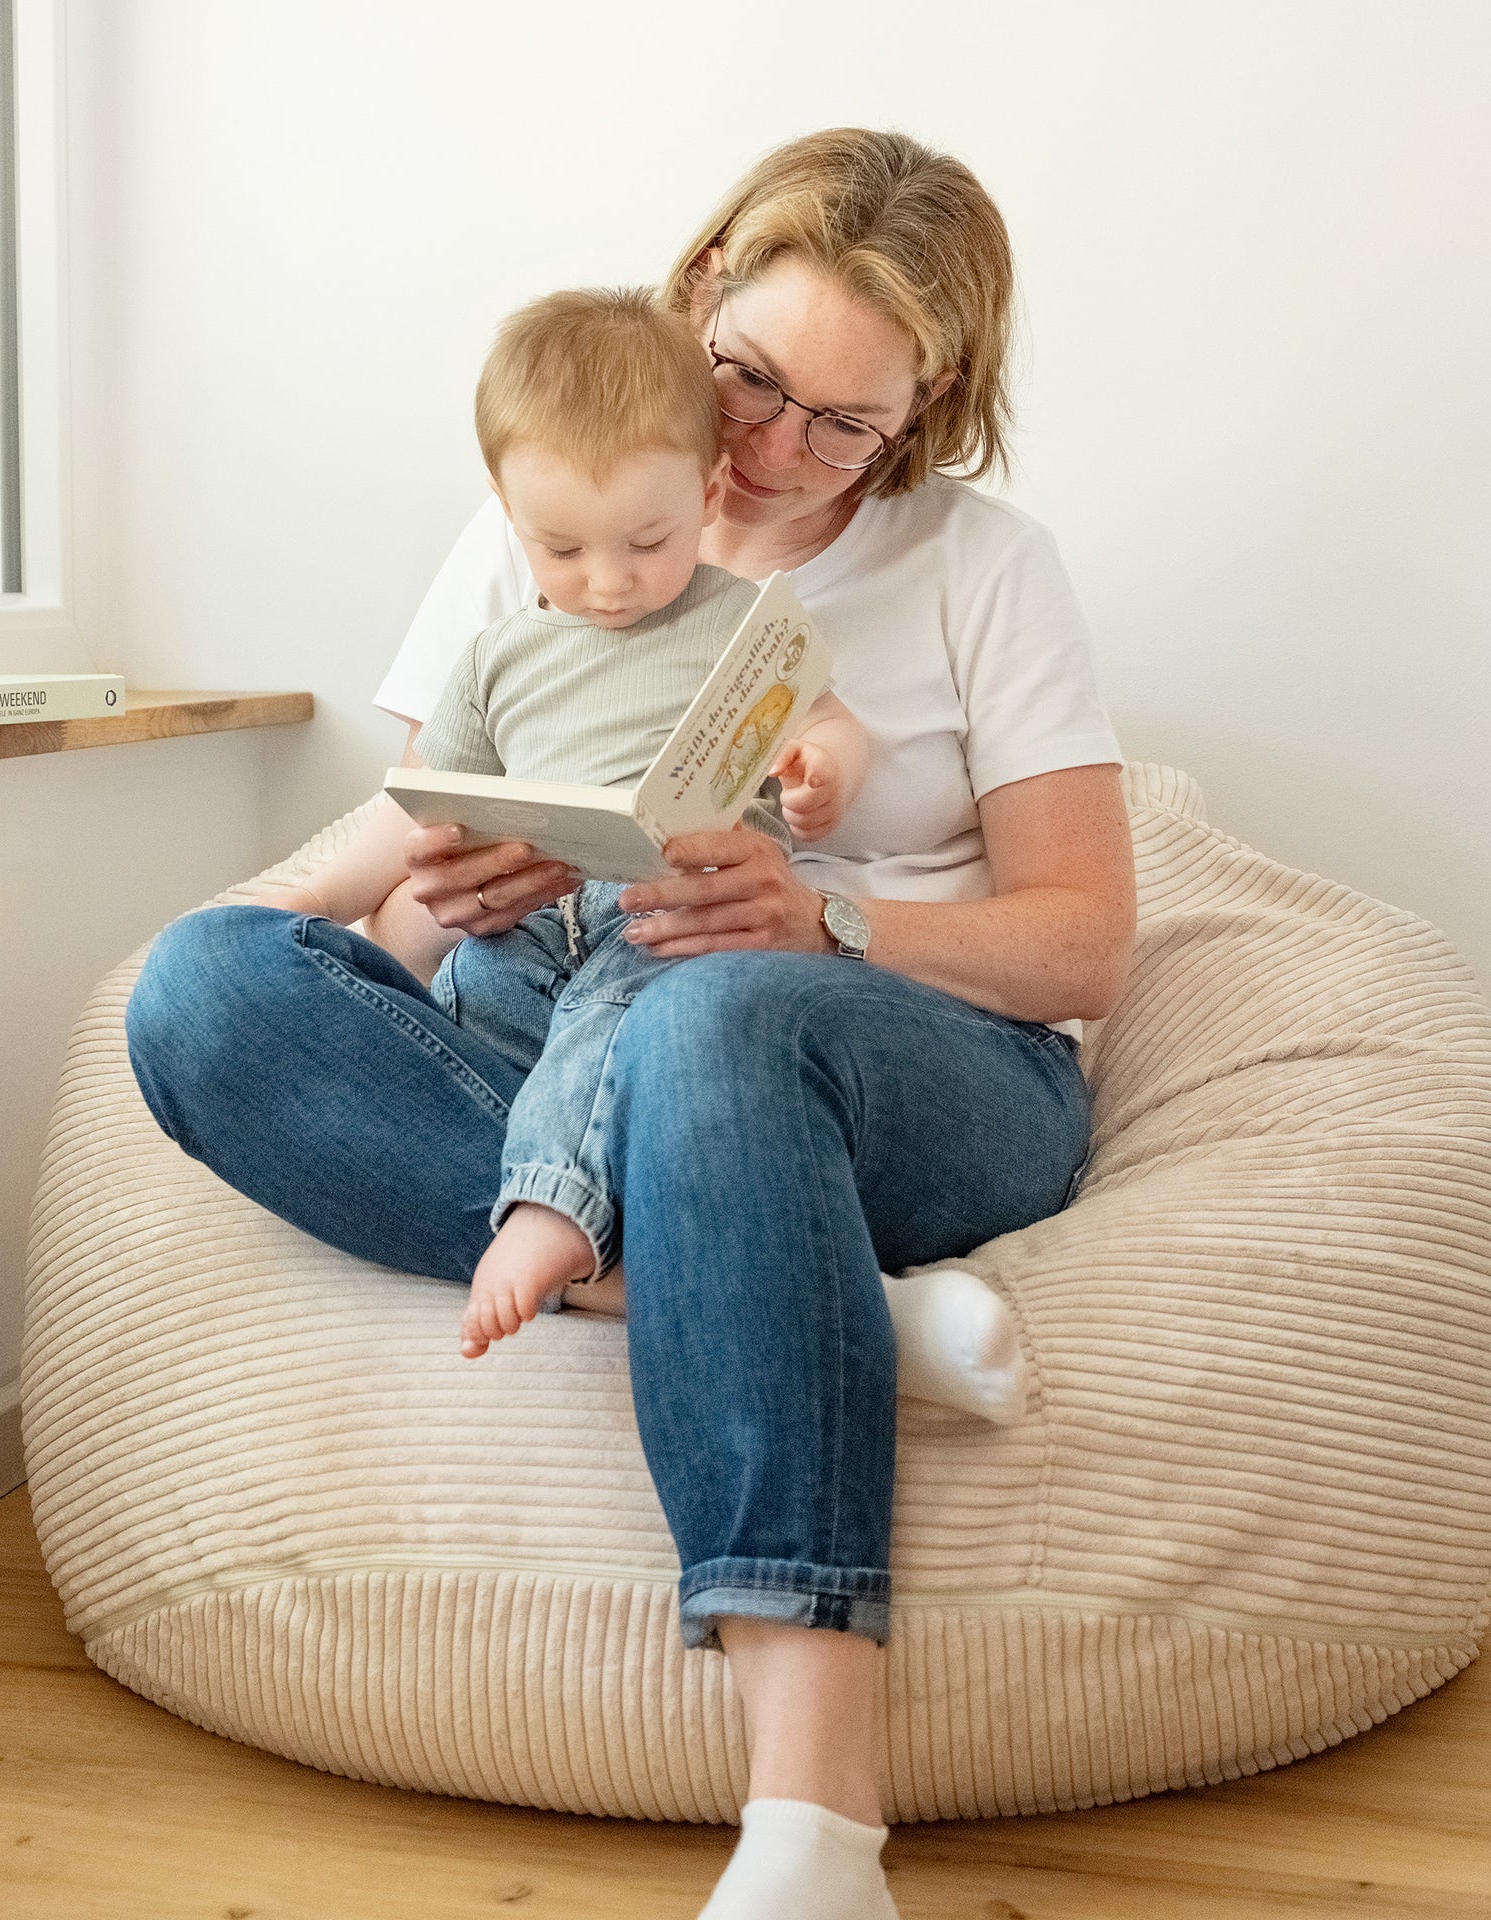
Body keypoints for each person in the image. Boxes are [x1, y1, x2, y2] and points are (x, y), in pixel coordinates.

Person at [125, 128, 1136, 1920]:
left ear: (935, 406)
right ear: (694, 307)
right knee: (203, 978)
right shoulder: (558, 503)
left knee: (718, 1008)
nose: (770, 452)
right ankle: (788, 1293)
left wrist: (827, 916)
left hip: (897, 1054)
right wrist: (431, 893)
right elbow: (413, 824)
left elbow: (1085, 951)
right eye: (751, 380)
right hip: (589, 1023)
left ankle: (817, 1831)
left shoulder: (985, 567)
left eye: (848, 424)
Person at [248, 285, 869, 1359]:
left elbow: (827, 719)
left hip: (672, 919)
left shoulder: (739, 621)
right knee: (453, 1010)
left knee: (633, 1015)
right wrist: (309, 905)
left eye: (648, 539)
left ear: (711, 484)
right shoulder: (498, 655)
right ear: (505, 510)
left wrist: (821, 768)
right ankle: (628, 1256)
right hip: (523, 928)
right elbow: (419, 809)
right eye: (563, 550)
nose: (611, 583)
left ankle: (548, 1220)